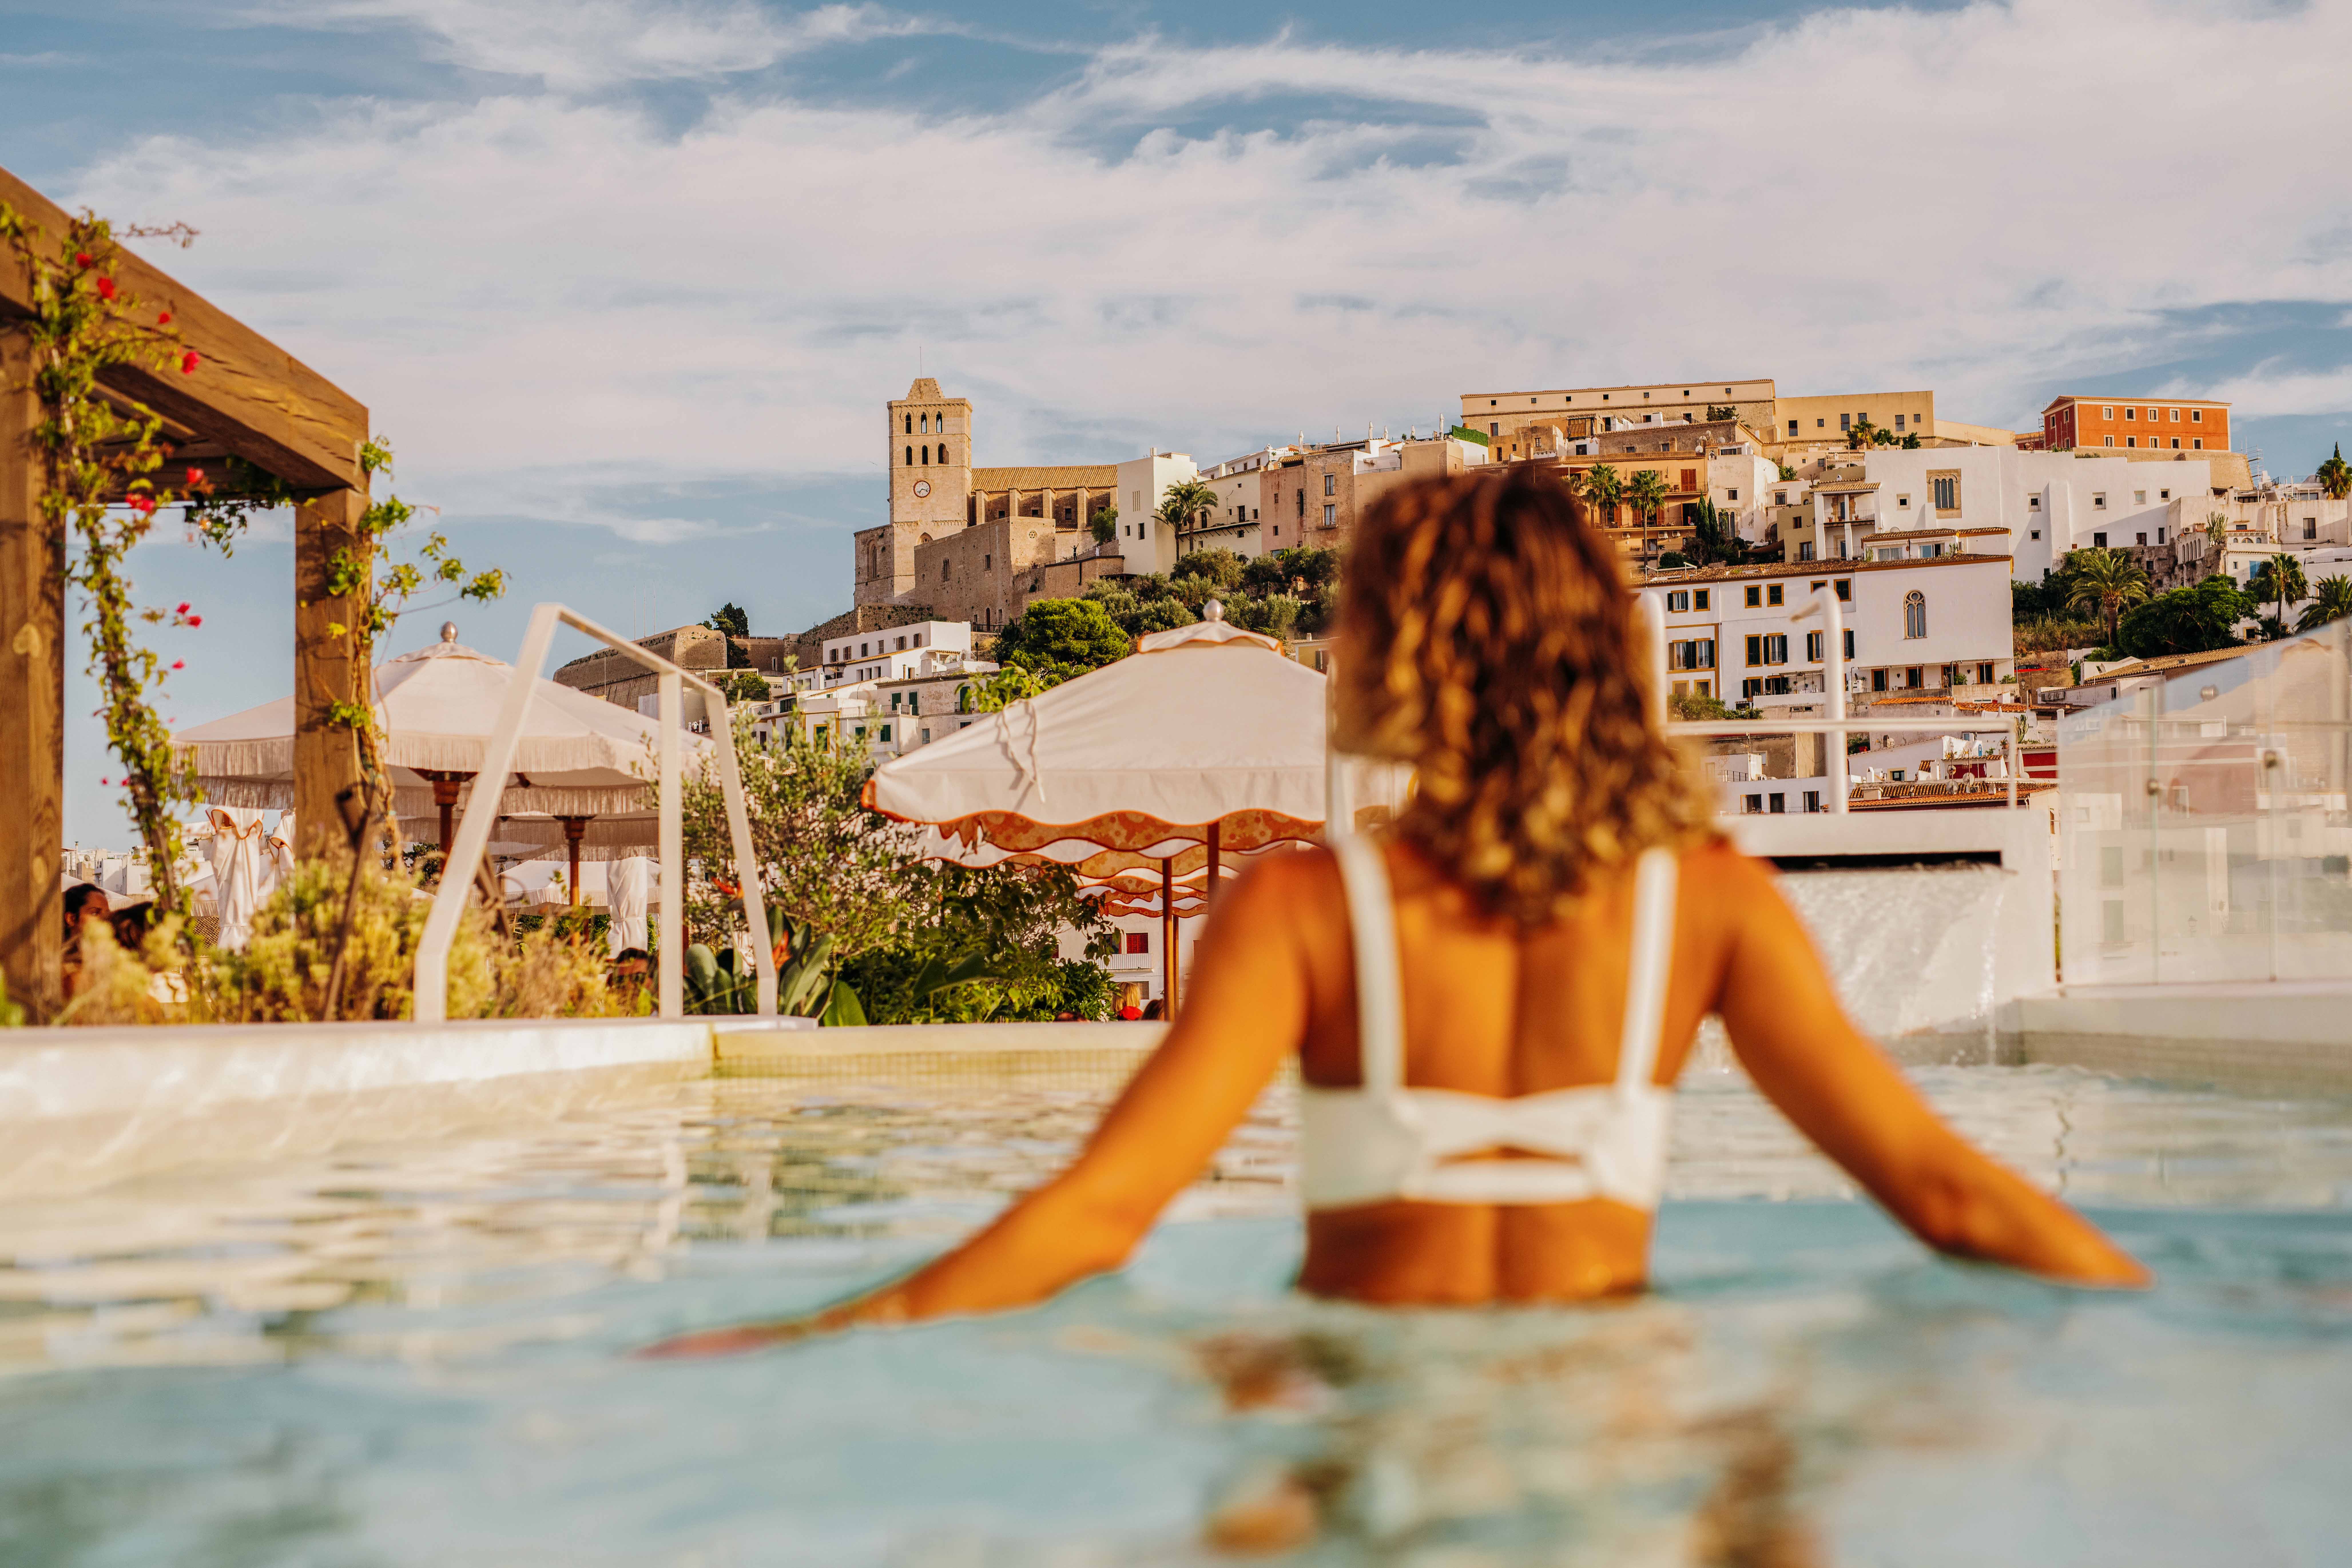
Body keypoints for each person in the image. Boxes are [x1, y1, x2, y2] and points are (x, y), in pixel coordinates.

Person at [646, 471, 2144, 1357]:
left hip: (1368, 1407)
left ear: (1397, 654)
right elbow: (1950, 1196)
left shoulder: (1302, 908)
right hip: (1615, 1406)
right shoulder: (1708, 905)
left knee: (1241, 1393)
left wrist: (808, 1332)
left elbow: (1100, 1218)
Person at [60, 883, 110, 1001]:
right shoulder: (63, 969)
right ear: (71, 919)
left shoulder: (104, 961)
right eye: (95, 913)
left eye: (108, 914)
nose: (105, 920)